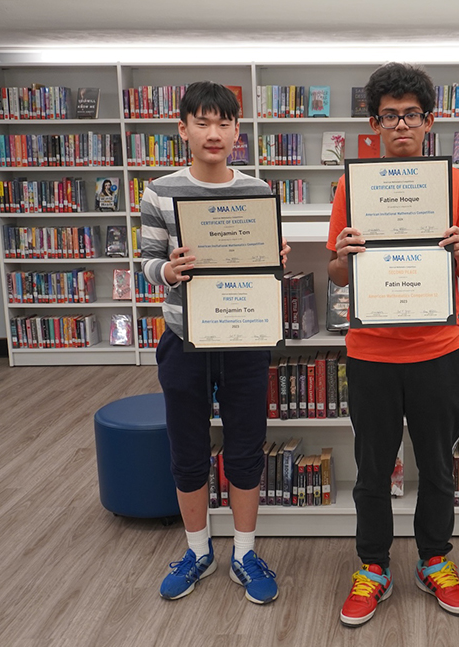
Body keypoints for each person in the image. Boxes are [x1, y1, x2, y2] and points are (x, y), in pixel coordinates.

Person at [327, 62, 459, 627]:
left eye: (410, 115)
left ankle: (434, 559)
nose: (400, 125)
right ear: (374, 124)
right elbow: (337, 275)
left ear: (429, 121)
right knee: (373, 469)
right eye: (389, 116)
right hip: (371, 351)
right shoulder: (352, 186)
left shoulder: (456, 185)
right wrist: (342, 257)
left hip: (437, 348)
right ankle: (373, 568)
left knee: (438, 466)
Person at [141, 81, 289, 605]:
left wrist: (274, 259)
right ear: (182, 128)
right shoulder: (159, 192)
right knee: (187, 451)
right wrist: (168, 270)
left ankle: (244, 553)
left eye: (224, 123)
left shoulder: (257, 191)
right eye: (202, 122)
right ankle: (197, 550)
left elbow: (263, 266)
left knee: (246, 447)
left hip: (244, 338)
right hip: (184, 340)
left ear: (237, 130)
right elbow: (146, 263)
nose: (213, 133)